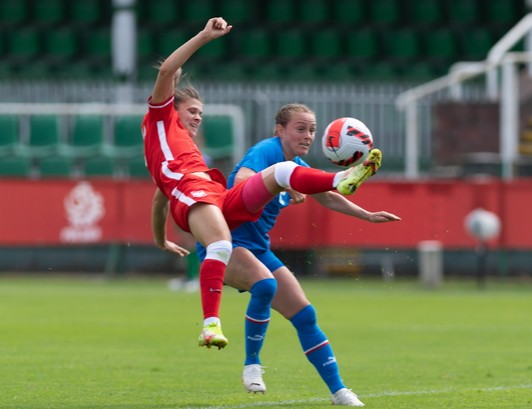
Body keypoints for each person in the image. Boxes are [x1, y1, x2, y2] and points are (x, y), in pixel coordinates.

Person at [141, 17, 382, 352]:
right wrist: (204, 37)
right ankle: (211, 325)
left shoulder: (180, 150)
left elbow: (159, 200)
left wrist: (160, 240)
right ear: (170, 108)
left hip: (216, 196)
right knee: (222, 245)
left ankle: (341, 178)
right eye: (192, 110)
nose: (198, 117)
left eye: (201, 113)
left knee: (282, 173)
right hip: (196, 193)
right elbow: (167, 71)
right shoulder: (159, 120)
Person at [196, 103, 401, 406]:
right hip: (226, 242)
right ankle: (252, 364)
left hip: (257, 247)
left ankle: (340, 391)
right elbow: (241, 183)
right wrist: (280, 181)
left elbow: (328, 197)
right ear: (279, 130)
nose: (308, 135)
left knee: (305, 315)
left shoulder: (298, 165)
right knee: (266, 285)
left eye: (312, 130)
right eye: (300, 128)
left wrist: (367, 216)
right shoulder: (267, 150)